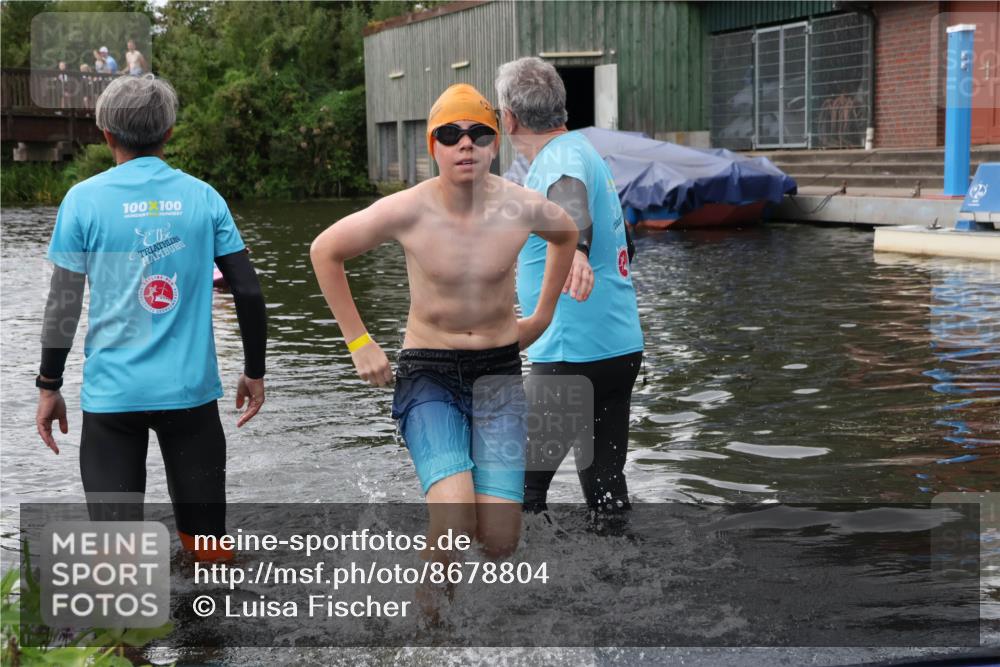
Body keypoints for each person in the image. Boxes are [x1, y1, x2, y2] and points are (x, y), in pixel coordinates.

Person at [310, 84, 576, 567]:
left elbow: (567, 233)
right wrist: (359, 341)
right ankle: (428, 632)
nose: (465, 143)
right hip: (429, 372)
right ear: (433, 145)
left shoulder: (520, 206)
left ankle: (475, 633)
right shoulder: (409, 209)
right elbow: (325, 251)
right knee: (454, 525)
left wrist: (542, 316)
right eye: (450, 134)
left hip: (498, 373)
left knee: (500, 541)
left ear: (496, 142)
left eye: (478, 133)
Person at [35, 74, 267, 562]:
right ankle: (211, 634)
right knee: (208, 553)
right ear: (169, 134)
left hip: (113, 400)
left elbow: (63, 303)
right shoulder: (203, 197)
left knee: (116, 564)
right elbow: (246, 288)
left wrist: (49, 384)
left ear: (106, 135)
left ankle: (128, 638)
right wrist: (254, 371)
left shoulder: (82, 200)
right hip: (190, 398)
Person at [495, 57, 644, 516]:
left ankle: (525, 584)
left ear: (510, 118)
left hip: (570, 354)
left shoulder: (558, 160)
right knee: (604, 489)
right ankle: (618, 576)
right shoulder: (583, 151)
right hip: (617, 349)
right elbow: (627, 246)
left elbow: (568, 202)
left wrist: (576, 249)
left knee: (516, 490)